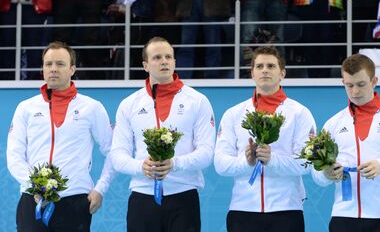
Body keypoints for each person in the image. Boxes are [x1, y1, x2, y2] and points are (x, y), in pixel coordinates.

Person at [6, 41, 115, 232]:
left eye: (60, 64)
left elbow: (114, 151)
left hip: (74, 201)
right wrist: (35, 186)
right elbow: (14, 156)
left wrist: (100, 188)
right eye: (48, 64)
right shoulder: (26, 108)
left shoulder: (91, 107)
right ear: (43, 69)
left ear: (72, 69)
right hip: (33, 200)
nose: (53, 69)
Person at [110, 36, 216, 232]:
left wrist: (174, 164)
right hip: (142, 197)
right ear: (145, 65)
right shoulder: (129, 104)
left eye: (168, 56)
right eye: (157, 57)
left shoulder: (198, 101)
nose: (164, 61)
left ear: (175, 62)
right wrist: (141, 166)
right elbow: (117, 154)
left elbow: (207, 152)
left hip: (183, 196)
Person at [214, 46, 316, 232]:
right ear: (252, 73)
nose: (265, 70)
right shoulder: (234, 114)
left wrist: (272, 160)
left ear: (282, 73)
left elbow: (307, 163)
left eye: (271, 66)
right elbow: (220, 164)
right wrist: (247, 162)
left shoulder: (300, 113)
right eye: (259, 66)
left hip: (286, 210)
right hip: (242, 211)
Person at [311, 53, 380, 232]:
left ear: (374, 81)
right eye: (349, 85)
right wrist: (326, 174)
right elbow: (317, 173)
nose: (355, 92)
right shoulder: (333, 123)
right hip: (343, 217)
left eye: (361, 84)